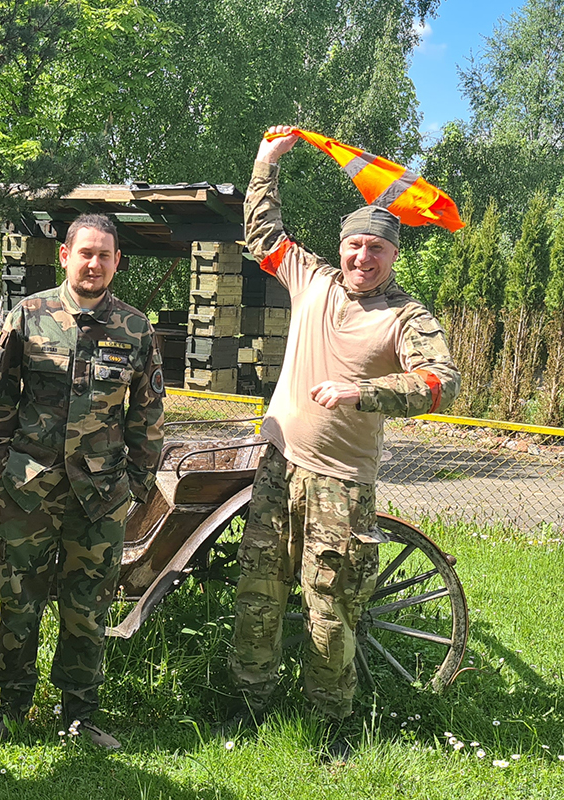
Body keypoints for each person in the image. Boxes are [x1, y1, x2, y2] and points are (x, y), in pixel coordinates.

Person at [227, 124, 461, 759]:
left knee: (330, 606)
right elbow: (262, 234)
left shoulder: (406, 316)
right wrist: (265, 161)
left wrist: (364, 392)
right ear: (341, 247)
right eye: (355, 245)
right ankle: (249, 707)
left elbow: (440, 381)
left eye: (376, 249)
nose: (363, 257)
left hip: (341, 484)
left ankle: (331, 725)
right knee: (259, 591)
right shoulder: (313, 278)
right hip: (279, 466)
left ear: (393, 256)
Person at [0, 213, 165, 750]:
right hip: (30, 490)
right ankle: (10, 711)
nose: (94, 264)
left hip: (100, 496)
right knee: (18, 601)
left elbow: (147, 414)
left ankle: (79, 717)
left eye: (104, 255)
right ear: (65, 256)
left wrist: (136, 485)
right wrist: (3, 468)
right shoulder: (29, 316)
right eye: (85, 253)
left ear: (117, 262)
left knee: (88, 607)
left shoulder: (135, 328)